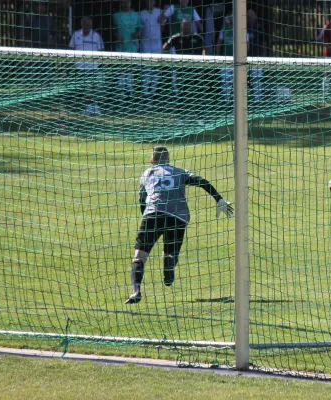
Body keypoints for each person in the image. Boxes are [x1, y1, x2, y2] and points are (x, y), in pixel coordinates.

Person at [125, 147, 233, 304]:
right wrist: (219, 199)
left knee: (139, 256)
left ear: (152, 160)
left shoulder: (146, 174)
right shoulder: (179, 171)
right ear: (168, 160)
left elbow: (142, 199)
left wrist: (147, 218)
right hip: (178, 217)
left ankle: (136, 291)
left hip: (153, 214)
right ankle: (169, 261)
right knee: (171, 252)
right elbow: (200, 181)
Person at [68, 16, 105, 115]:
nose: (86, 25)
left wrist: (99, 63)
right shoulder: (75, 35)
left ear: (91, 24)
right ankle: (90, 107)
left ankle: (94, 107)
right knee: (85, 88)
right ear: (81, 24)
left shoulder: (96, 36)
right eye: (84, 23)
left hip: (93, 67)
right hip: (80, 67)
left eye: (88, 23)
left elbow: (101, 50)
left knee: (94, 88)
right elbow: (71, 49)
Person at [113, 0, 141, 104]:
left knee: (130, 72)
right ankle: (121, 94)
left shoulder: (136, 15)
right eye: (123, 2)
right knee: (121, 71)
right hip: (120, 48)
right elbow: (112, 29)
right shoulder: (116, 15)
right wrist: (116, 36)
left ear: (130, 3)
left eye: (127, 2)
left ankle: (130, 95)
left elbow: (140, 29)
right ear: (121, 3)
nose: (125, 4)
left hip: (132, 48)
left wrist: (137, 34)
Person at [140, 0, 167, 105]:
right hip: (145, 45)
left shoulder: (160, 12)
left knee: (156, 70)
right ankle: (145, 94)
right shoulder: (141, 14)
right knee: (146, 70)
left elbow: (163, 27)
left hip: (157, 45)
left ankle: (153, 94)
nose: (149, 2)